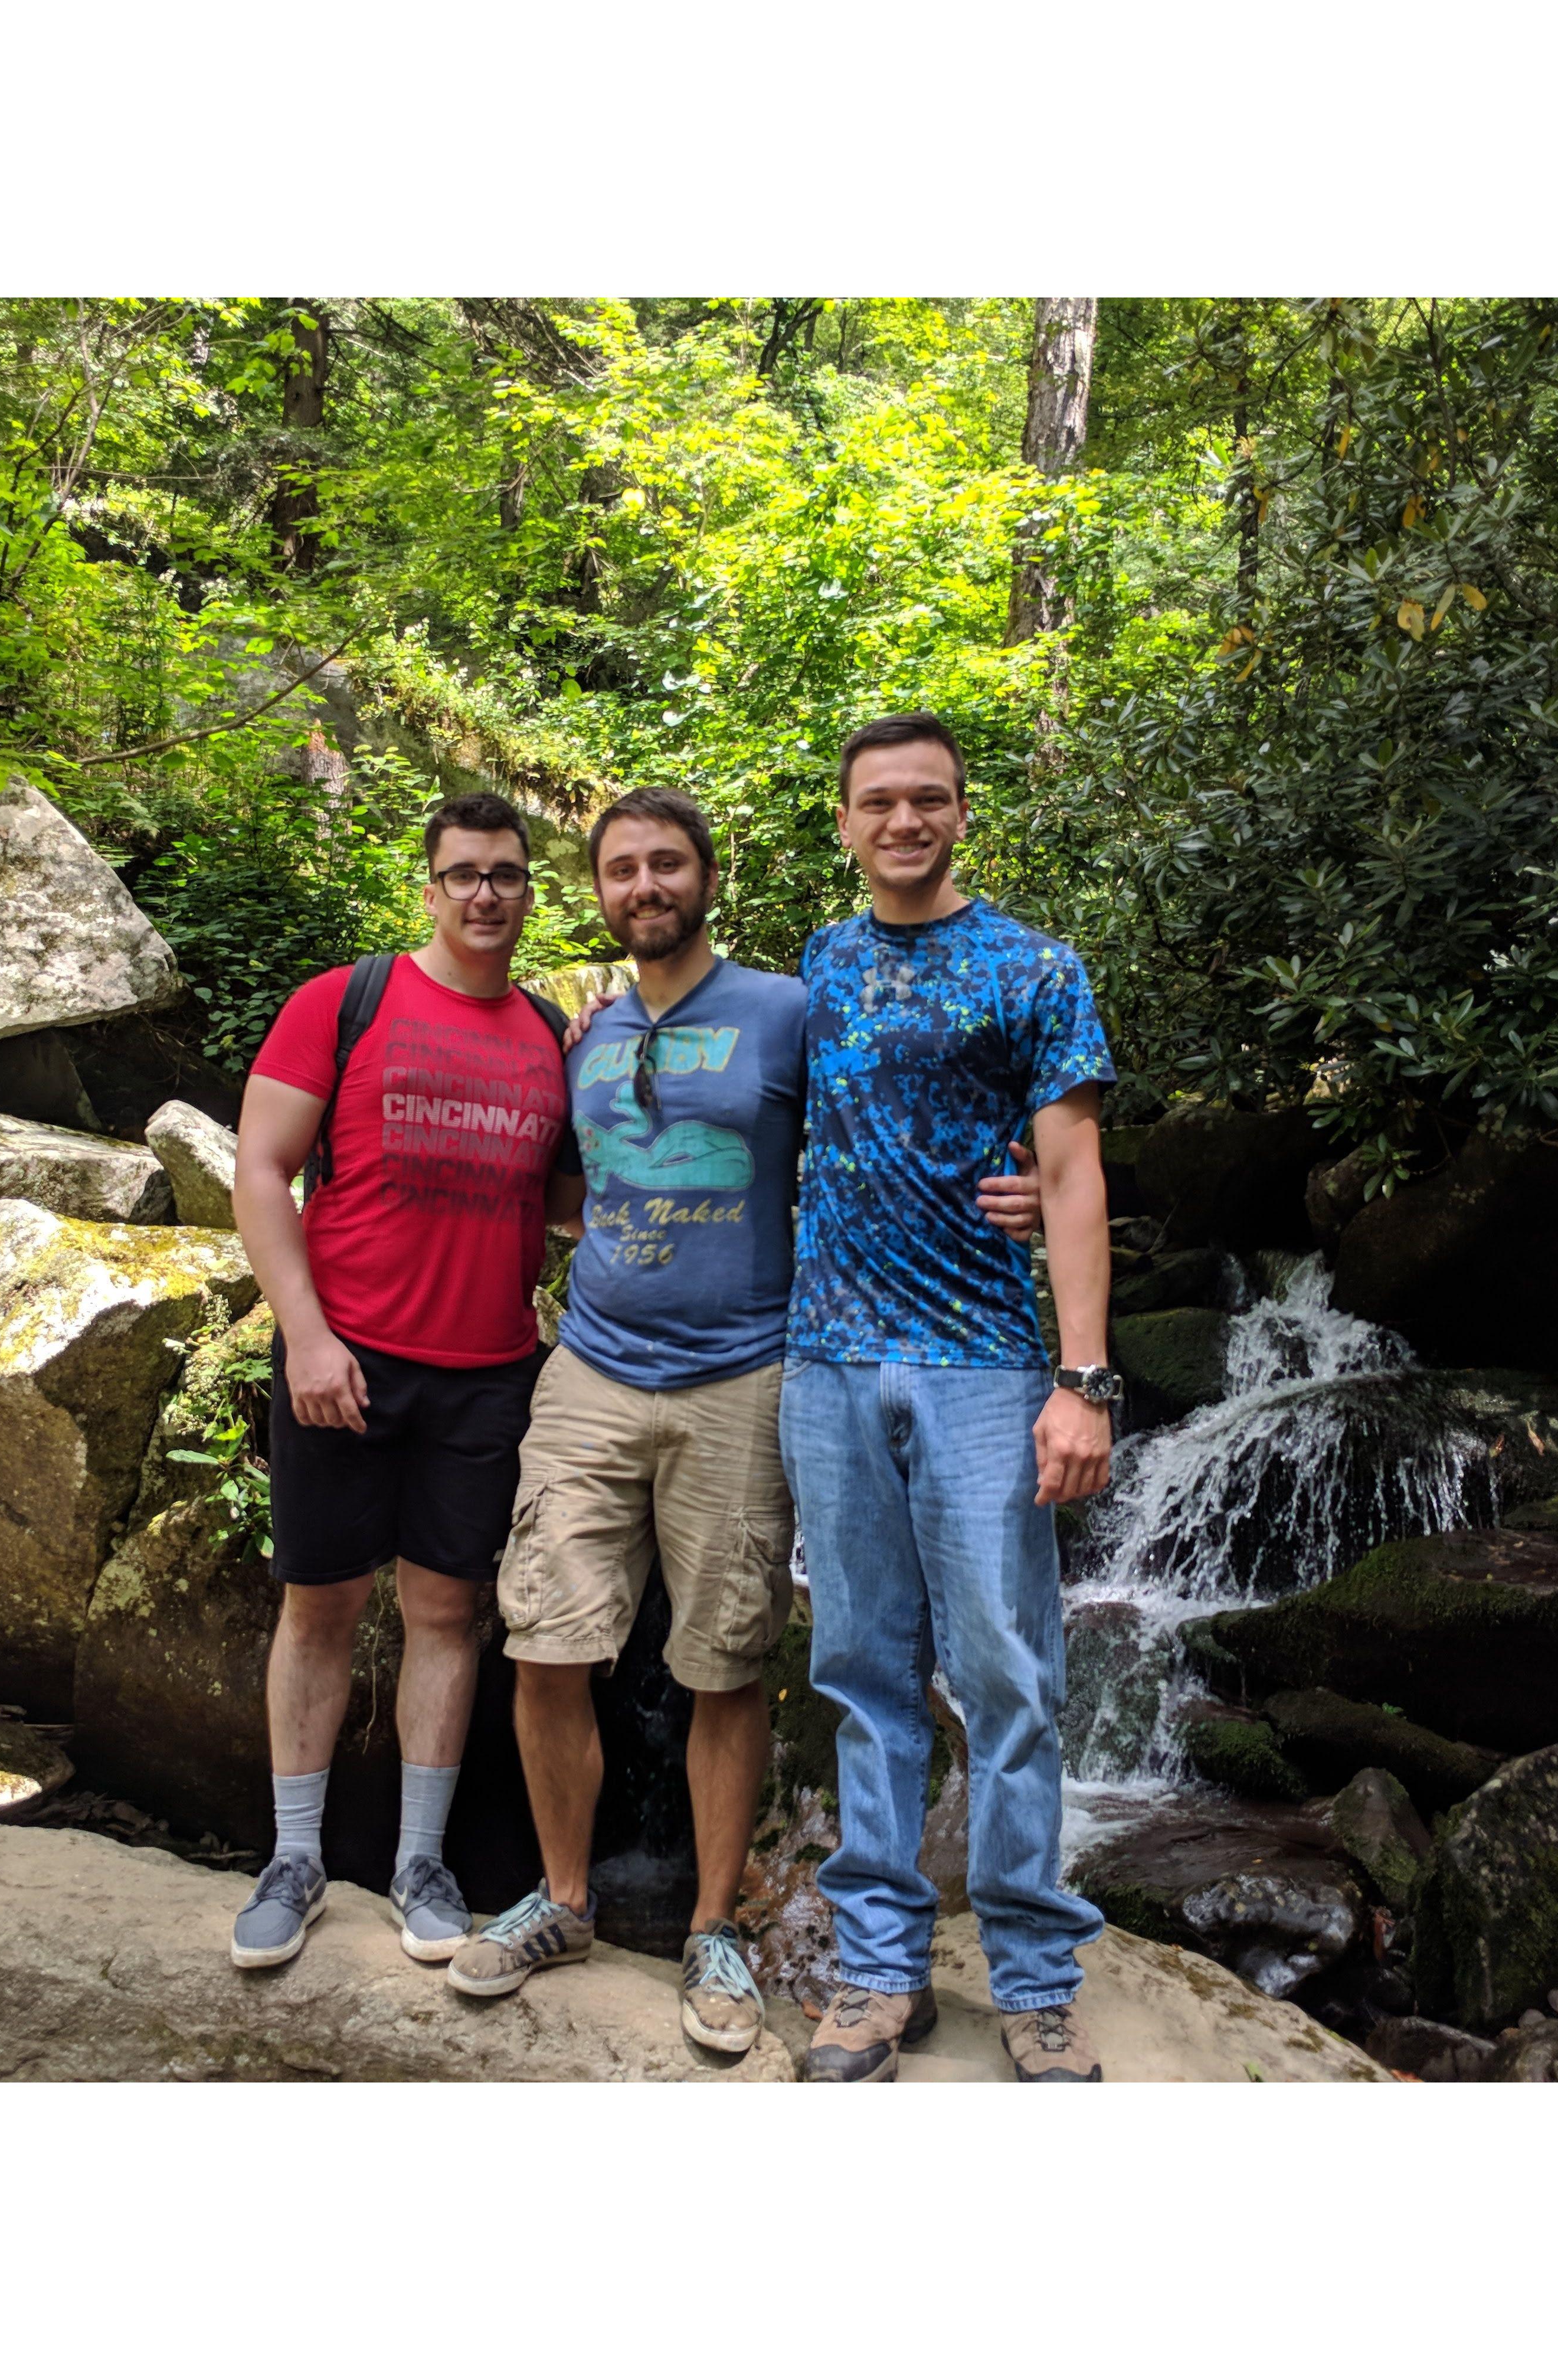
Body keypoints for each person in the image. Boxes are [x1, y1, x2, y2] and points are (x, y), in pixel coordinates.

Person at [443, 786, 1044, 2057]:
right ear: (597, 892)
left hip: (745, 1376)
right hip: (593, 1372)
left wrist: (1031, 1176)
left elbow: (904, 1100)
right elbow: (556, 1186)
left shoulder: (786, 1007)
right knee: (546, 1638)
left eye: (667, 865)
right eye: (622, 870)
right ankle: (561, 1900)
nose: (645, 886)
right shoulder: (583, 1037)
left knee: (721, 1658)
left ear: (707, 879)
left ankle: (714, 1926)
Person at [783, 712, 1121, 2083]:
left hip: (984, 1362)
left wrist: (1083, 1380)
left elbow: (1077, 1167)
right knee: (864, 1677)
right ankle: (879, 1974)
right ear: (849, 820)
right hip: (830, 1361)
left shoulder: (1036, 969)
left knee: (1008, 1681)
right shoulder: (816, 963)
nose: (904, 821)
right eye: (880, 802)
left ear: (962, 814)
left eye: (929, 800)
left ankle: (1036, 1980)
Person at [225, 791, 578, 1971]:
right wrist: (309, 1336)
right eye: (465, 873)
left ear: (531, 894)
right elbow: (263, 1173)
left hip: (485, 1379)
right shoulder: (344, 1002)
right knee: (320, 1607)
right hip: (346, 1357)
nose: (487, 894)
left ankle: (422, 1861)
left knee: (444, 1612)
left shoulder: (547, 1036)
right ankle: (294, 1857)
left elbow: (578, 1201)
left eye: (508, 875)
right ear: (429, 888)